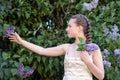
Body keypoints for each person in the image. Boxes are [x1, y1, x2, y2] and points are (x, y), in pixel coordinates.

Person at [9, 14, 104, 80]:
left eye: (70, 26)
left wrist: (88, 62)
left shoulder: (93, 49)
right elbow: (42, 50)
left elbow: (101, 76)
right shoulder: (67, 48)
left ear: (79, 28)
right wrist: (21, 41)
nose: (67, 29)